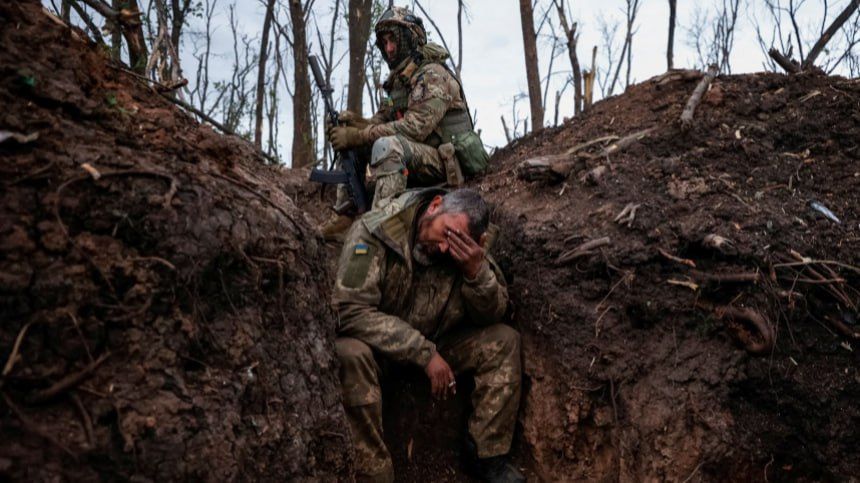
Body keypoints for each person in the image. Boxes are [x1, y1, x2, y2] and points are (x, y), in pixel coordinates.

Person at [333, 188, 524, 482]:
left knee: (503, 340)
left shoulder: (467, 251)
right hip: (381, 350)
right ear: (435, 206)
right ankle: (373, 473)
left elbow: (493, 315)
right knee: (349, 353)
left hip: (439, 341)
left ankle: (487, 456)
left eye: (458, 243)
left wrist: (476, 273)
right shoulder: (376, 230)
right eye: (447, 234)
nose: (447, 249)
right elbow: (349, 310)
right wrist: (423, 352)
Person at [320, 6, 488, 241]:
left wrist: (359, 135)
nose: (389, 49)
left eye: (394, 40)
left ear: (411, 39)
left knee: (388, 145)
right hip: (416, 156)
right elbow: (381, 121)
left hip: (445, 162)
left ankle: (381, 227)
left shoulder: (433, 75)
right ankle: (346, 217)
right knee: (360, 142)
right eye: (384, 42)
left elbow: (415, 128)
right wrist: (354, 124)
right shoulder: (398, 81)